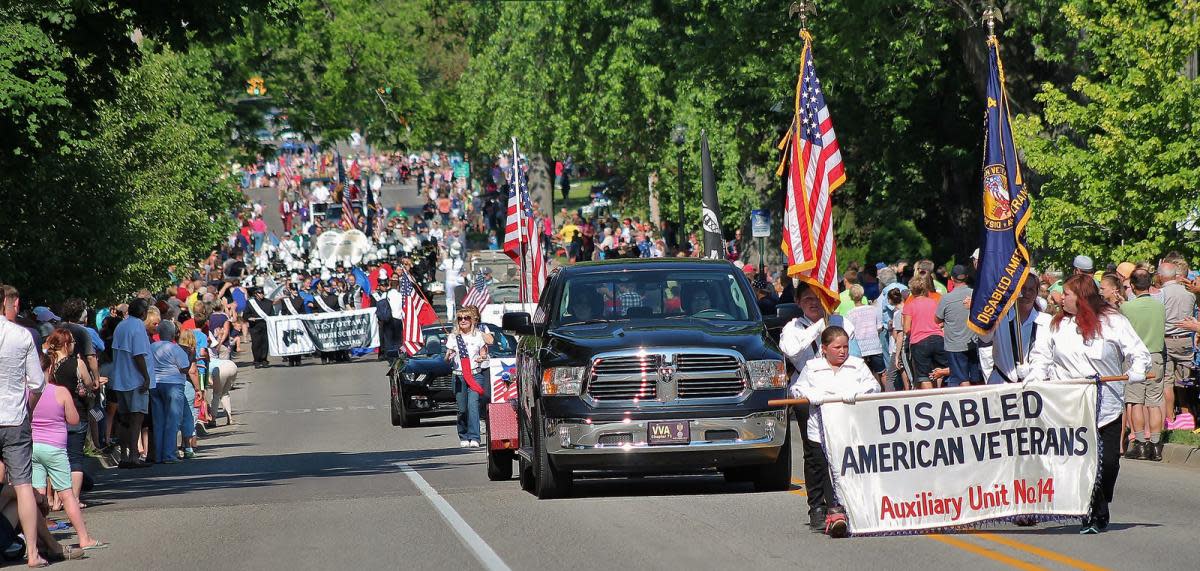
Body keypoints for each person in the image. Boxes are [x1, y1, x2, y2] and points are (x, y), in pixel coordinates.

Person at [1025, 274, 1150, 534]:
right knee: (1082, 464)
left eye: (1067, 294)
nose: (1060, 298)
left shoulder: (1113, 321)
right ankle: (1093, 512)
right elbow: (1042, 358)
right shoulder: (1055, 325)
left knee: (1109, 463)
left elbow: (1138, 352)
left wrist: (1136, 370)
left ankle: (1100, 501)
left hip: (1107, 405)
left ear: (1081, 298)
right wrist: (1035, 379)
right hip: (1069, 406)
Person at [788, 326, 879, 537]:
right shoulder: (813, 367)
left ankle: (850, 509)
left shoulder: (857, 366)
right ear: (824, 348)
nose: (842, 351)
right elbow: (796, 389)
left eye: (846, 347)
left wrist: (856, 392)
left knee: (848, 469)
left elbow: (874, 387)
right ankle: (819, 510)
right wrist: (812, 394)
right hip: (819, 429)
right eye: (837, 347)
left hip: (849, 429)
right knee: (818, 467)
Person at [31, 330, 105, 551]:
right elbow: (73, 419)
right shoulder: (59, 392)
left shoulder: (28, 393)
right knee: (67, 494)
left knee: (37, 493)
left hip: (34, 446)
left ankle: (37, 539)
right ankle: (84, 537)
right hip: (55, 447)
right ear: (48, 370)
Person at [0, 284, 49, 566]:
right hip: (14, 417)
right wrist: (28, 408)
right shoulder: (21, 335)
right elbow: (37, 383)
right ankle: (32, 552)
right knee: (22, 486)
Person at [1120, 269, 1167, 461]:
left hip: (1135, 357)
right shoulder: (1160, 307)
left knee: (1136, 402)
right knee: (1154, 402)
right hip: (1156, 355)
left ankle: (1140, 443)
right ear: (1150, 284)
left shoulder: (1127, 308)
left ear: (1132, 286)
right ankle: (1156, 445)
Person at [111, 298, 154, 468]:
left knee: (124, 419)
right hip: (135, 380)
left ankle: (124, 455)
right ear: (143, 313)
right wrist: (146, 377)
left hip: (120, 378)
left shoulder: (121, 325)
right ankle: (134, 456)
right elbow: (138, 354)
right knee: (136, 419)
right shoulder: (137, 327)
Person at [444, 306, 492, 448]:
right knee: (462, 409)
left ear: (472, 320)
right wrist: (448, 356)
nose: (463, 321)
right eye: (460, 319)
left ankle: (475, 437)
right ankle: (463, 434)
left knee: (473, 406)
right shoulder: (453, 338)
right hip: (459, 376)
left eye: (466, 318)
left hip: (475, 375)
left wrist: (481, 358)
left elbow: (484, 353)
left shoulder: (478, 335)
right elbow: (447, 358)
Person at [1158, 260, 1196, 424]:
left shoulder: (1160, 294)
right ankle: (1187, 416)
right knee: (1185, 381)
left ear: (1161, 276)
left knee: (1167, 381)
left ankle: (1170, 418)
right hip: (1186, 339)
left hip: (1167, 340)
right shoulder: (1190, 292)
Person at [150, 321, 190, 464]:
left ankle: (158, 455)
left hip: (155, 384)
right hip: (173, 383)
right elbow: (184, 368)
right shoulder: (176, 348)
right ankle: (169, 454)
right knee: (172, 420)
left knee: (158, 421)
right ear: (173, 334)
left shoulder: (151, 347)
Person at [935, 265, 981, 387]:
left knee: (963, 379)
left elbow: (937, 319)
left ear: (951, 278)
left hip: (954, 345)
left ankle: (969, 402)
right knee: (976, 378)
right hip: (974, 341)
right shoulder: (976, 294)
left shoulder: (946, 298)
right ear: (966, 277)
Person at [902, 277, 947, 389]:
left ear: (912, 290)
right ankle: (939, 393)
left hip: (919, 342)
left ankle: (932, 401)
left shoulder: (909, 305)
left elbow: (906, 329)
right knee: (940, 369)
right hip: (937, 339)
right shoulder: (933, 302)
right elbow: (941, 322)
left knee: (924, 376)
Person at [845, 285, 885, 383]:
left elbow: (849, 331)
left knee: (864, 374)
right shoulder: (873, 309)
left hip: (860, 347)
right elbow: (879, 327)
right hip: (874, 345)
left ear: (851, 297)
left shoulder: (850, 313)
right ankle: (887, 392)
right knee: (882, 373)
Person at [245, 286, 274, 369]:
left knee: (265, 343)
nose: (261, 295)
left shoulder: (268, 302)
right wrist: (250, 318)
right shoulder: (250, 303)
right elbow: (245, 314)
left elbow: (272, 313)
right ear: (255, 294)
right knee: (256, 344)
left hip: (265, 325)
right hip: (255, 326)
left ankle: (264, 360)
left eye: (262, 293)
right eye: (259, 293)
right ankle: (257, 360)